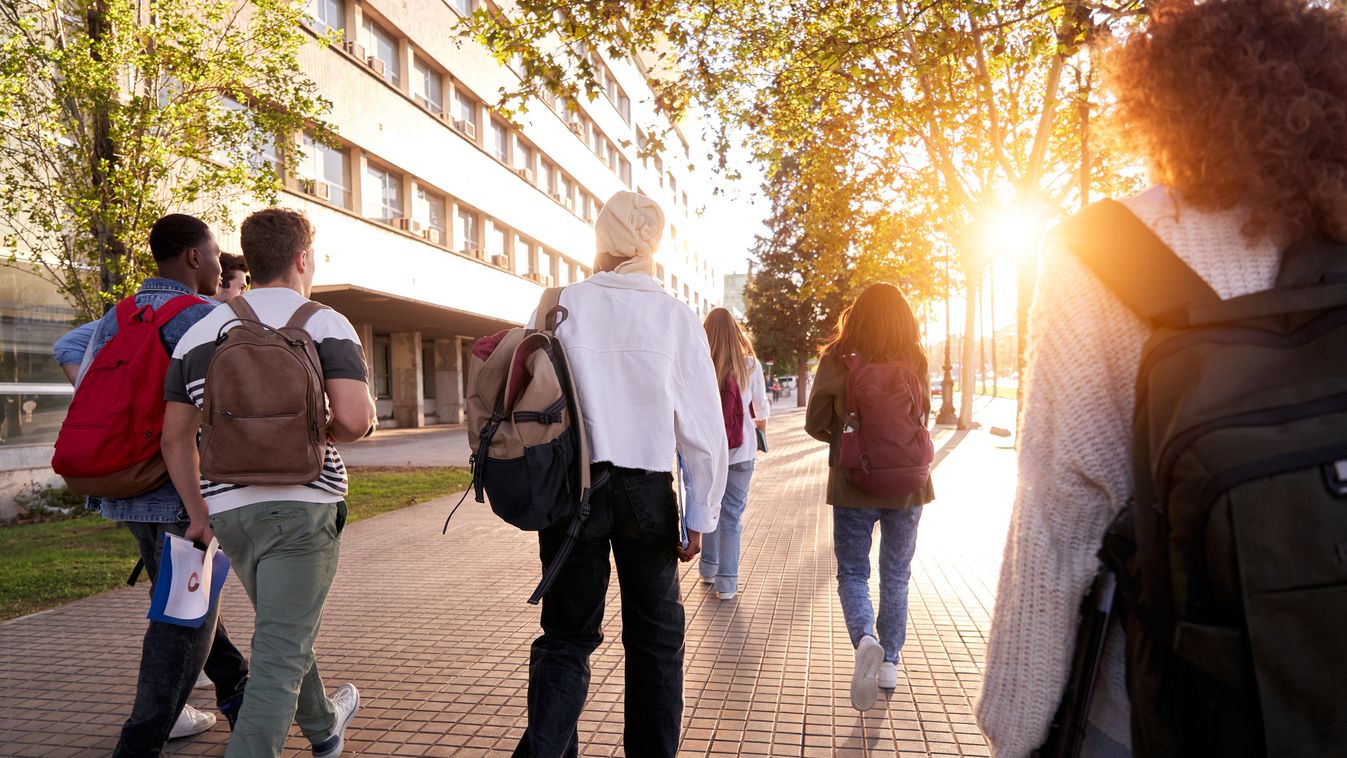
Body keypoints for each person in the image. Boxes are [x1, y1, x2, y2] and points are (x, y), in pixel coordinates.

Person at [976, 1, 1347, 755]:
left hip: (1163, 708)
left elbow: (1062, 509)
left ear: (1163, 100)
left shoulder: (1105, 251)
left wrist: (1013, 723)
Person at [512, 190, 728, 758]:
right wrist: (702, 513)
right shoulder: (676, 315)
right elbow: (704, 431)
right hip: (647, 492)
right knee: (656, 642)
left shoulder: (558, 305)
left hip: (571, 487)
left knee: (567, 637)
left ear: (602, 239)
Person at [161, 207, 375, 757]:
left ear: (250, 262)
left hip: (230, 511)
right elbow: (352, 420)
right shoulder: (325, 322)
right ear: (302, 257)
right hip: (304, 507)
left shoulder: (200, 331)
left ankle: (325, 728)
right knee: (280, 651)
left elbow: (174, 437)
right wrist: (308, 431)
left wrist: (200, 513)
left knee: (284, 629)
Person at [67, 213, 250, 755]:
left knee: (186, 604)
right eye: (215, 252)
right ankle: (139, 744)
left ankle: (240, 693)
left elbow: (74, 360)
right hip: (182, 491)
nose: (220, 263)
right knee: (182, 625)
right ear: (194, 257)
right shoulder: (205, 317)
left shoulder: (117, 315)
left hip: (126, 484)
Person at [805, 283, 934, 712]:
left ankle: (865, 639)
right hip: (908, 485)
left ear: (856, 315)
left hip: (853, 485)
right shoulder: (915, 357)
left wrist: (851, 443)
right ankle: (891, 662)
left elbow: (815, 421)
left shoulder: (838, 357)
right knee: (896, 575)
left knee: (853, 574)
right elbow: (923, 414)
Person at [698, 307, 768, 601]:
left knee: (712, 508)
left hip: (709, 453)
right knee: (732, 516)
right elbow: (761, 411)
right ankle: (726, 583)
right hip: (741, 453)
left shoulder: (700, 364)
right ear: (736, 332)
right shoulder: (750, 365)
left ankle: (708, 568)